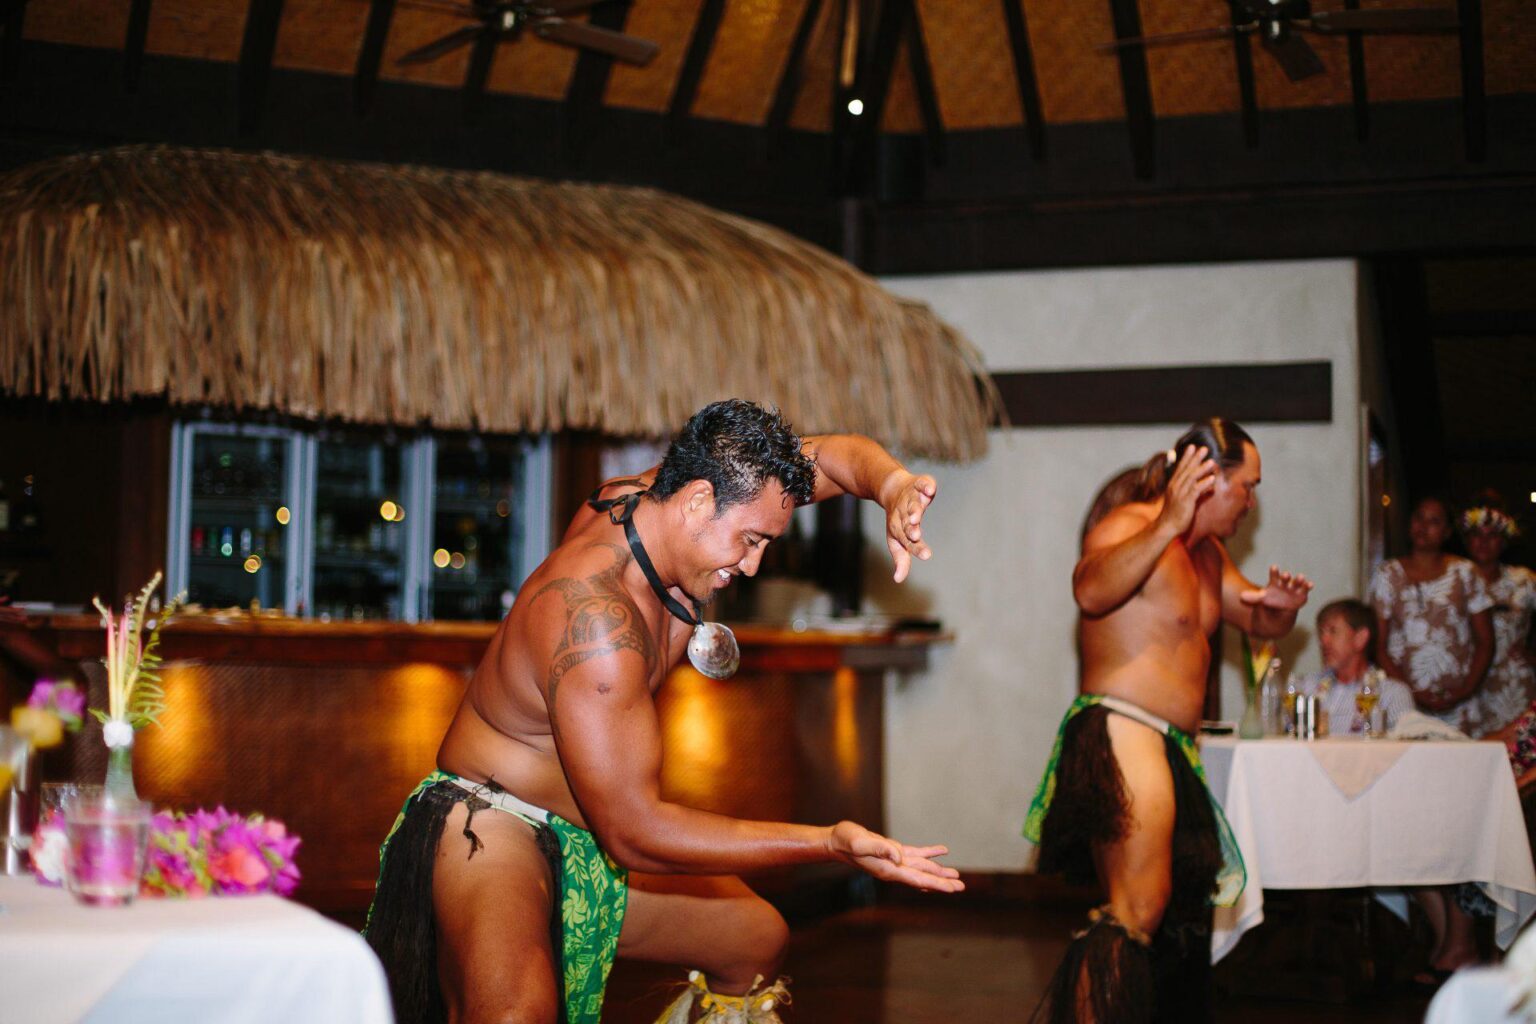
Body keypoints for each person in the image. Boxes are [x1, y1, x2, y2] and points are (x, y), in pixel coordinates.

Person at [364, 400, 963, 1024]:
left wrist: (892, 486)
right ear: (700, 502)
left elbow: (834, 458)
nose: (752, 565)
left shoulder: (659, 498)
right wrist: (829, 843)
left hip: (590, 831)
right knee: (517, 1014)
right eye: (751, 540)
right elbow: (635, 834)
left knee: (754, 942)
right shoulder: (594, 621)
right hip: (492, 822)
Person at [1025, 418, 1312, 1023]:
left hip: (1175, 747)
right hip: (1122, 728)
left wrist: (1279, 613)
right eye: (1247, 486)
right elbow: (1089, 589)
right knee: (1135, 910)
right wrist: (1166, 524)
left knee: (1176, 914)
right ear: (1205, 480)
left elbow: (1255, 620)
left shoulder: (1209, 556)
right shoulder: (1130, 526)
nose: (1251, 502)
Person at [1369, 495, 1495, 735]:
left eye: (1434, 521)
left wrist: (1464, 691)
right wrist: (1409, 692)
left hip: (1459, 703)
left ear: (1447, 532)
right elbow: (1378, 645)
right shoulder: (1388, 574)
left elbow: (1486, 642)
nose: (1423, 527)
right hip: (1404, 702)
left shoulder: (1466, 573)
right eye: (1418, 518)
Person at [1460, 493, 1536, 735]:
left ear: (1504, 541)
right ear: (1467, 540)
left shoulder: (1523, 580)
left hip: (1512, 686)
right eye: (1477, 535)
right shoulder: (1453, 580)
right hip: (1465, 684)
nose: (1483, 542)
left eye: (1492, 536)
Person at [1292, 599, 1415, 735]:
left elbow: (1403, 751)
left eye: (1333, 631)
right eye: (1321, 632)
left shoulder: (1392, 694)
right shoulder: (1307, 688)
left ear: (1360, 638)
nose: (1323, 641)